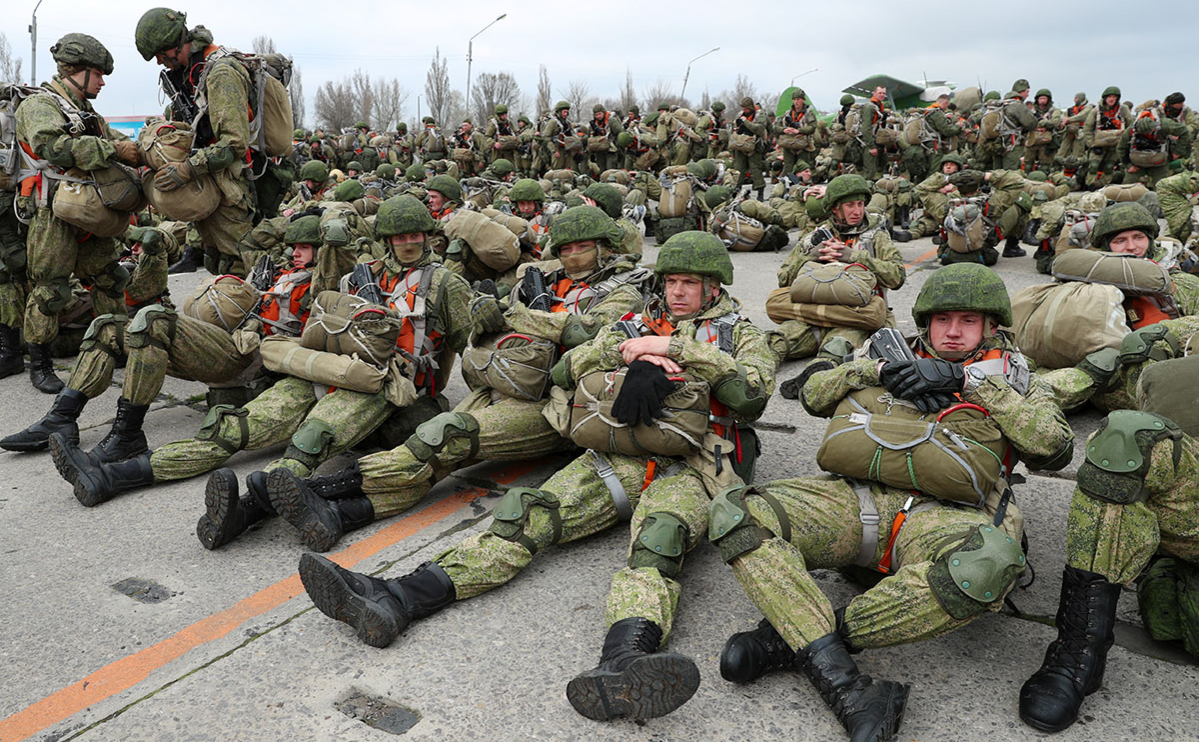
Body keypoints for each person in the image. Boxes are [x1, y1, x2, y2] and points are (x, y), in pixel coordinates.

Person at [297, 231, 775, 723]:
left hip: (698, 462)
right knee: (527, 514)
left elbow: (750, 396)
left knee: (659, 538)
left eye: (689, 283)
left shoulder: (740, 335)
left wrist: (677, 350)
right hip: (625, 451)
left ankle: (626, 658)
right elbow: (567, 370)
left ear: (713, 287)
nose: (677, 292)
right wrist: (633, 353)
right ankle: (398, 596)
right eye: (671, 281)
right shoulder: (634, 324)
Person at [714, 263, 1074, 742]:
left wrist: (969, 383)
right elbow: (814, 395)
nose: (953, 331)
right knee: (736, 511)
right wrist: (879, 370)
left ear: (991, 326)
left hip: (949, 515)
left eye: (968, 321)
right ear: (926, 322)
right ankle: (844, 681)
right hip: (856, 498)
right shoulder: (888, 351)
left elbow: (1054, 447)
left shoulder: (1018, 376)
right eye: (942, 320)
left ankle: (795, 638)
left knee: (986, 567)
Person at [259, 205, 649, 552]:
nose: (573, 255)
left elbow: (585, 331)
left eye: (583, 246)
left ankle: (319, 490)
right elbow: (485, 340)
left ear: (605, 247)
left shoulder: (624, 290)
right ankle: (340, 515)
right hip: (508, 383)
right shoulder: (544, 281)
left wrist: (509, 315)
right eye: (566, 248)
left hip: (560, 404)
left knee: (445, 436)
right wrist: (488, 319)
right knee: (435, 457)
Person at [49, 196, 471, 515]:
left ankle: (245, 510)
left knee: (309, 442)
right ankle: (111, 476)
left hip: (384, 384)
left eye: (414, 235)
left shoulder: (445, 284)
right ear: (387, 239)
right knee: (229, 430)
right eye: (399, 236)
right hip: (326, 368)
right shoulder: (364, 276)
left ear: (427, 234)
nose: (408, 242)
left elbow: (464, 343)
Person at [14, 33, 141, 394]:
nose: (102, 81)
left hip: (87, 208)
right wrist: (114, 150)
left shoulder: (85, 112)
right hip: (51, 210)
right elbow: (51, 145)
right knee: (50, 288)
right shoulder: (40, 105)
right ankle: (40, 364)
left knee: (109, 277)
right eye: (97, 74)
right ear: (77, 71)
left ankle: (115, 345)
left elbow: (111, 140)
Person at [134, 8, 278, 277]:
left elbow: (234, 143)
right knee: (218, 262)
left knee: (242, 264)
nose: (159, 62)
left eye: (160, 54)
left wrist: (187, 169)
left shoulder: (220, 73)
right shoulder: (191, 74)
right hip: (210, 182)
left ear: (175, 43)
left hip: (230, 185)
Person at [771, 174, 906, 385]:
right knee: (779, 340)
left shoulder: (875, 236)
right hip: (816, 312)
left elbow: (897, 276)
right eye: (850, 205)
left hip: (857, 315)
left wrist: (854, 257)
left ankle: (814, 380)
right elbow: (784, 279)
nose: (857, 211)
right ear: (835, 208)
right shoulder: (817, 236)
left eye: (860, 204)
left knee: (837, 346)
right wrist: (811, 256)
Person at [732, 97, 767, 197]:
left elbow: (759, 129)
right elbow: (734, 130)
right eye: (743, 108)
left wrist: (746, 122)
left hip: (754, 145)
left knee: (755, 169)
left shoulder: (760, 115)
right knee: (738, 168)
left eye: (746, 109)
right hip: (741, 144)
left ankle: (760, 191)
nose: (744, 110)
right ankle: (736, 189)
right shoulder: (740, 115)